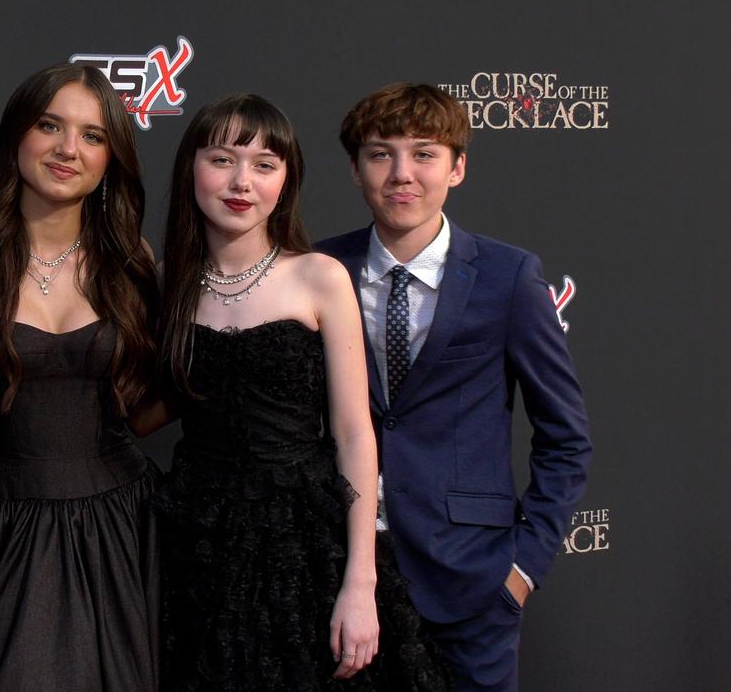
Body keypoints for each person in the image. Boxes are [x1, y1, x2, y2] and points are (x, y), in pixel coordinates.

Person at [154, 93, 450, 691]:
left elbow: (352, 433)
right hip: (195, 538)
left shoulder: (318, 276)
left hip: (304, 540)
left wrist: (360, 582)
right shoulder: (167, 288)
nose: (242, 182)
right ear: (191, 167)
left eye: (265, 164)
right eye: (222, 159)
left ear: (286, 182)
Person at [313, 82, 592, 691]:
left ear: (457, 167)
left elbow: (565, 438)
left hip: (472, 582)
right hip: (341, 575)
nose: (401, 174)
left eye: (424, 154)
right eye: (380, 154)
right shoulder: (319, 269)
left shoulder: (509, 276)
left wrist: (522, 570)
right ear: (356, 170)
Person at [0, 63, 161, 692]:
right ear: (16, 136)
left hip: (122, 527)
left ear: (111, 158)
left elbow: (152, 399)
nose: (69, 149)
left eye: (92, 136)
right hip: (2, 532)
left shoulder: (134, 262)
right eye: (50, 126)